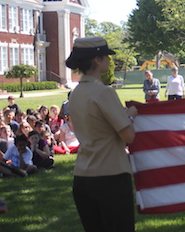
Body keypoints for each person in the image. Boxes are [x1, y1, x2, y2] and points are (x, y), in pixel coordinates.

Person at [65, 36, 137, 231]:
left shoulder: (76, 93)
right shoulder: (104, 92)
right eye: (106, 56)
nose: (109, 60)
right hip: (110, 176)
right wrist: (130, 115)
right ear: (97, 59)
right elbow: (128, 136)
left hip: (82, 176)